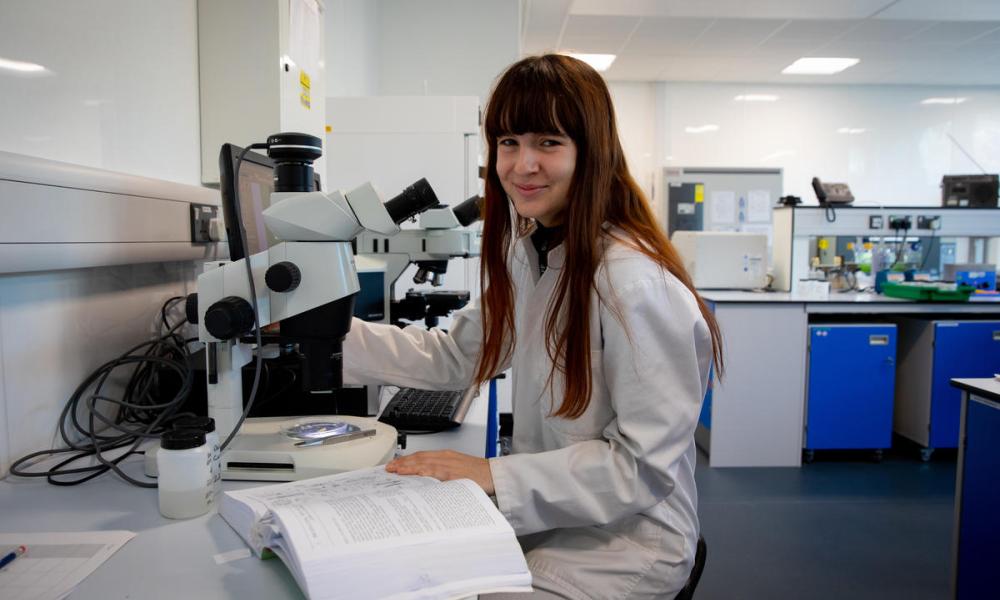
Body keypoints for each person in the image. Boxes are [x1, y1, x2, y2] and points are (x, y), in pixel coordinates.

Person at [343, 54, 723, 599]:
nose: (523, 165)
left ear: (591, 152)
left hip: (623, 549)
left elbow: (641, 467)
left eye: (548, 142)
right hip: (554, 524)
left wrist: (492, 474)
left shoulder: (633, 283)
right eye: (508, 143)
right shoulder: (533, 253)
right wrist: (331, 333)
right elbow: (461, 357)